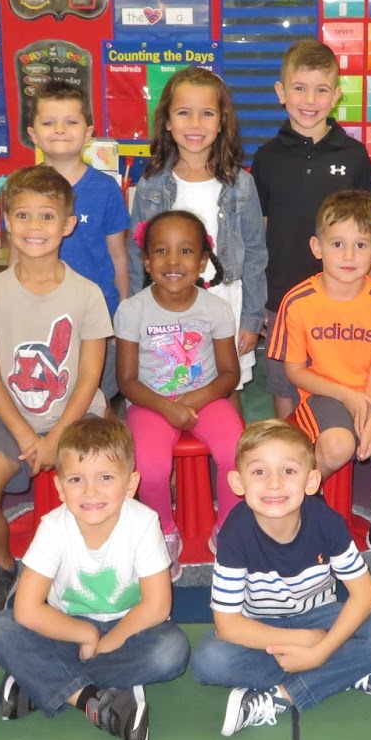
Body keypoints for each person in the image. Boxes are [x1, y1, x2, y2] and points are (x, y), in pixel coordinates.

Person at [0, 417, 191, 740]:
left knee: (172, 651)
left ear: (130, 484)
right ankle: (93, 700)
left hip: (130, 629)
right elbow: (27, 609)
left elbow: (156, 606)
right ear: (60, 487)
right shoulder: (53, 527)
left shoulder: (143, 522)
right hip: (67, 630)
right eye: (76, 480)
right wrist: (86, 634)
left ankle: (44, 681)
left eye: (106, 478)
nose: (91, 491)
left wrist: (108, 643)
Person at [192, 420, 371, 734]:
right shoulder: (234, 534)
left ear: (311, 481)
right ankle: (350, 669)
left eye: (289, 471)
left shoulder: (327, 523)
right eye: (259, 471)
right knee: (209, 660)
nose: (274, 483)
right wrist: (305, 641)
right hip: (262, 625)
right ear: (238, 482)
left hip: (320, 616)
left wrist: (320, 652)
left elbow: (365, 596)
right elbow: (228, 625)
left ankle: (284, 695)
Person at [0, 166, 112, 617]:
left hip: (79, 418)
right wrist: (28, 437)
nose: (34, 226)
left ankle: (95, 563)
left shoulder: (87, 294)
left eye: (47, 216)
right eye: (23, 215)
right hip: (12, 421)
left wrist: (56, 437)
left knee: (100, 490)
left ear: (68, 225)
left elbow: (88, 378)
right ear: (7, 221)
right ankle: (1, 566)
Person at [269, 191, 371, 556]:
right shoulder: (298, 301)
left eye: (361, 245)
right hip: (321, 393)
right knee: (339, 445)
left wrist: (368, 425)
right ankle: (302, 499)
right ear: (317, 247)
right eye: (337, 244)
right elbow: (295, 372)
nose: (349, 256)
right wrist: (347, 397)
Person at [250, 38, 371, 422]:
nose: (310, 100)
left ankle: (335, 447)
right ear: (281, 92)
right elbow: (259, 233)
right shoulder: (267, 157)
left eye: (321, 90)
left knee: (339, 382)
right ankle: (289, 446)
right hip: (283, 299)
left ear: (336, 95)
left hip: (344, 297)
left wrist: (368, 289)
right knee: (283, 386)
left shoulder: (353, 155)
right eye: (299, 88)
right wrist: (261, 300)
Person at [115, 211, 243, 577]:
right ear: (146, 261)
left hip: (207, 398)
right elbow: (127, 381)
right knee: (150, 469)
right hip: (150, 403)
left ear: (202, 262)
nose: (173, 261)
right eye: (161, 251)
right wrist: (166, 407)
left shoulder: (216, 308)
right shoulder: (132, 311)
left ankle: (229, 526)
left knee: (237, 452)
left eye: (185, 251)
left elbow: (230, 374)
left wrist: (196, 400)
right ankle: (164, 532)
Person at [127, 67, 267, 387]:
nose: (195, 124)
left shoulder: (241, 185)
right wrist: (137, 314)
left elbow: (256, 255)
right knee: (172, 382)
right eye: (183, 113)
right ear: (167, 121)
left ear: (221, 122)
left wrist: (250, 319)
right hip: (166, 306)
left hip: (225, 304)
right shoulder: (151, 186)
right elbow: (137, 255)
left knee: (225, 385)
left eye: (206, 113)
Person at [26, 82, 129, 392]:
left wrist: (123, 310)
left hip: (97, 314)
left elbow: (118, 255)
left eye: (70, 121)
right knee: (47, 392)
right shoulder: (22, 187)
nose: (60, 129)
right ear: (33, 134)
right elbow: (17, 255)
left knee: (98, 397)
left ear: (88, 134)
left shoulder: (105, 189)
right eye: (48, 122)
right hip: (39, 311)